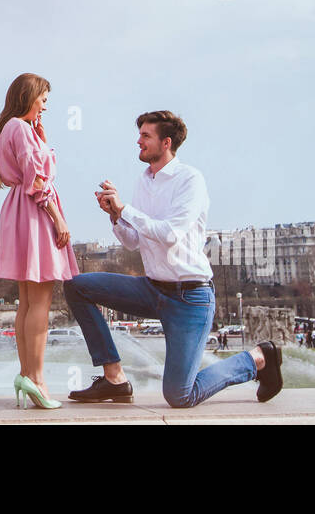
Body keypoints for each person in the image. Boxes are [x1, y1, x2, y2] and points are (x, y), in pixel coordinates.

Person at [63, 110, 283, 409]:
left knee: (179, 396)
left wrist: (125, 209)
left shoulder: (190, 180)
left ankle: (257, 359)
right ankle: (114, 379)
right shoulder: (145, 181)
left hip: (189, 298)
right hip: (152, 289)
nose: (138, 141)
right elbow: (134, 241)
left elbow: (169, 234)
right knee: (77, 286)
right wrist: (115, 216)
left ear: (166, 142)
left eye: (145, 136)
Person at [0, 73, 78, 410]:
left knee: (26, 302)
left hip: (17, 212)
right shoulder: (22, 129)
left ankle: (26, 373)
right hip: (36, 212)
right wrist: (59, 218)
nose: (46, 104)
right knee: (40, 302)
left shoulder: (8, 128)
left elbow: (25, 173)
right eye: (43, 97)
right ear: (28, 96)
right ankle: (38, 380)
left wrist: (39, 135)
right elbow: (37, 181)